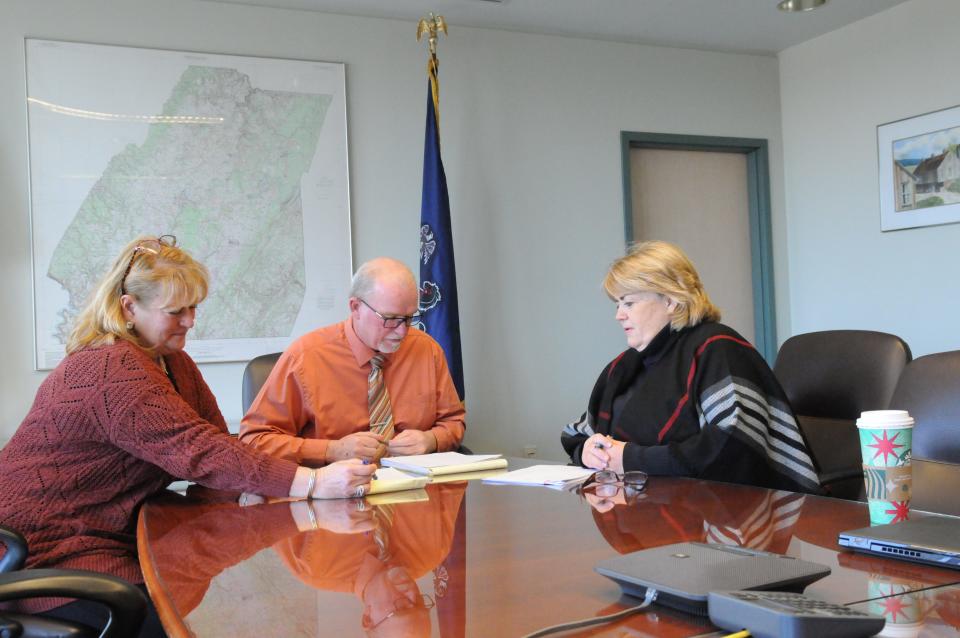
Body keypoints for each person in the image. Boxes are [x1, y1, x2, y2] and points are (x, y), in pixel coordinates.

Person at [0, 236, 374, 636]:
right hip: (44, 552)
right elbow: (199, 450)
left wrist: (248, 485)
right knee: (180, 618)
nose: (190, 321)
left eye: (194, 307)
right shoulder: (111, 368)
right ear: (129, 308)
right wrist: (313, 482)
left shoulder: (171, 361)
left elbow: (217, 441)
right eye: (176, 310)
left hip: (105, 536)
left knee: (202, 600)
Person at [561, 240, 821, 494]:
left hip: (715, 512)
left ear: (671, 300)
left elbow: (733, 446)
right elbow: (578, 434)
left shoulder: (717, 348)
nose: (619, 315)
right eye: (617, 304)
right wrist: (587, 450)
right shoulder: (623, 367)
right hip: (639, 507)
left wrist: (631, 459)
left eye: (629, 303)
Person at [239, 257, 465, 465]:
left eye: (409, 318)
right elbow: (254, 439)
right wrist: (332, 450)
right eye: (390, 319)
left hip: (413, 494)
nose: (401, 332)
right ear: (355, 307)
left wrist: (431, 439)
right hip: (334, 494)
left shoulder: (426, 350)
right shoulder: (305, 358)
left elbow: (453, 422)